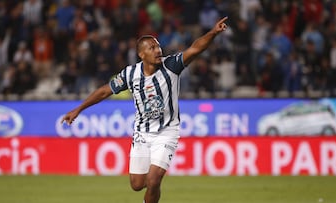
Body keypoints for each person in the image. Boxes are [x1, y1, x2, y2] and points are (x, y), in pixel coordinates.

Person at [61, 17, 228, 203]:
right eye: (152, 48)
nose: (158, 51)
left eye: (158, 47)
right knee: (137, 184)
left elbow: (196, 48)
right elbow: (103, 91)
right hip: (142, 133)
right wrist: (78, 109)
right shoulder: (130, 74)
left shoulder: (171, 65)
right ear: (142, 54)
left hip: (167, 131)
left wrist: (213, 32)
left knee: (154, 179)